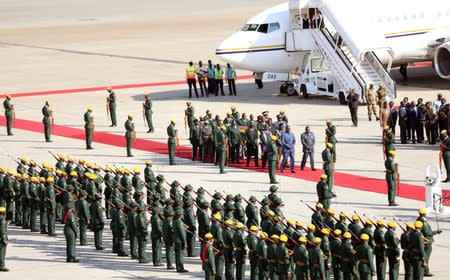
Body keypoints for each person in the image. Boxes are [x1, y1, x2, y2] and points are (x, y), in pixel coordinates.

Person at [416, 208, 442, 277]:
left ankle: (422, 269)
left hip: (422, 239)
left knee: (423, 255)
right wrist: (436, 232)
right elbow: (428, 232)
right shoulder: (423, 221)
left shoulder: (418, 220)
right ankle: (425, 271)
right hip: (427, 240)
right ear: (424, 214)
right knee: (426, 256)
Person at [0, 207, 8, 271]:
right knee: (2, 252)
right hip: (1, 239)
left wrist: (6, 223)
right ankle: (1, 266)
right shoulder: (2, 218)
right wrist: (4, 239)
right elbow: (2, 230)